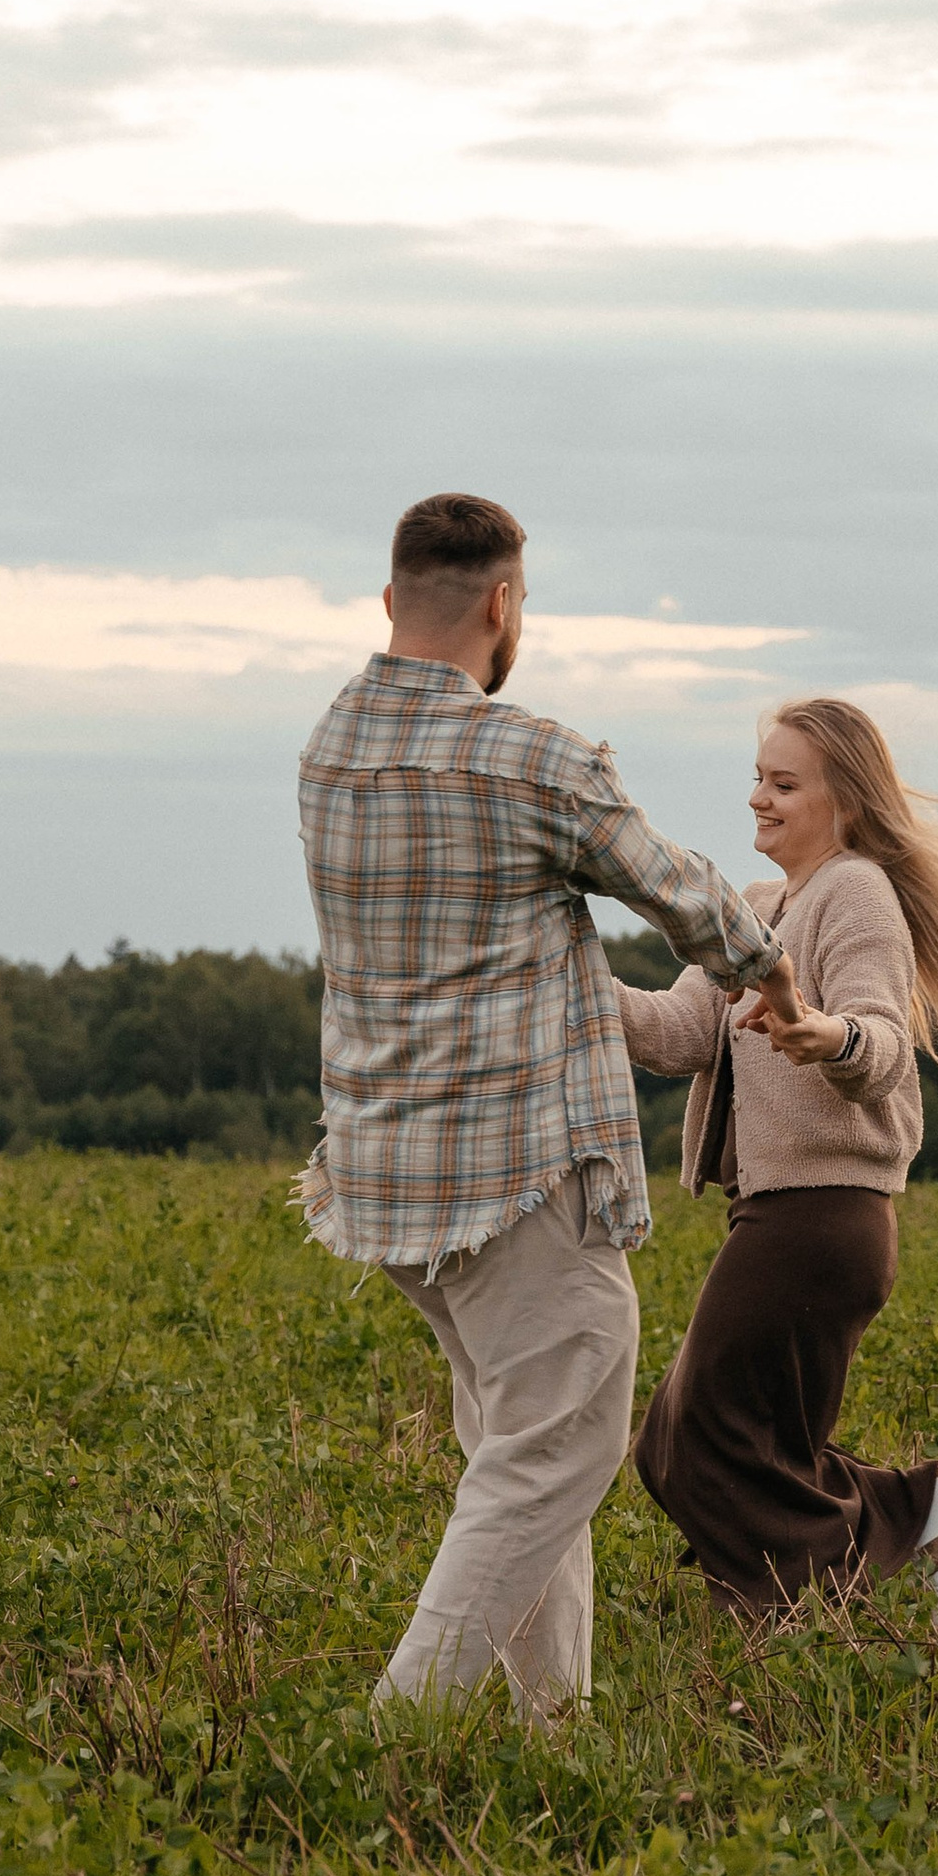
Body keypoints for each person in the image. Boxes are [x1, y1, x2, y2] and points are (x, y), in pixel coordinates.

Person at [298, 493, 812, 1722]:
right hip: (519, 1173)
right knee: (553, 1460)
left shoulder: (329, 749)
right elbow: (680, 894)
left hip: (386, 1180)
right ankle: (398, 1732)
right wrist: (773, 969)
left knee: (526, 1457)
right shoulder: (530, 756)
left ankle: (553, 1737)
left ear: (388, 603)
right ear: (503, 605)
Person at [619, 695, 938, 1632]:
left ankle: (827, 1594)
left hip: (825, 1217)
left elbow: (883, 1042)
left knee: (698, 1438)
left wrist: (827, 1034)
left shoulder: (854, 889)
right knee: (690, 1442)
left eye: (784, 784)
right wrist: (571, 981)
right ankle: (907, 1519)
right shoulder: (756, 908)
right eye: (757, 778)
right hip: (780, 1216)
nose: (758, 799)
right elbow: (677, 1032)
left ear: (849, 803)